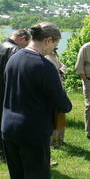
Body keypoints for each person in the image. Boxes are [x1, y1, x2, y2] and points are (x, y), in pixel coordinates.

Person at [2, 22, 72, 178]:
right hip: (32, 132)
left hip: (8, 127)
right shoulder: (45, 66)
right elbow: (63, 105)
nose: (53, 49)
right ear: (48, 40)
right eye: (55, 44)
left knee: (17, 175)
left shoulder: (13, 58)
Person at [0, 29, 31, 161]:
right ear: (22, 38)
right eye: (26, 43)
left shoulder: (1, 45)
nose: (25, 47)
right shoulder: (15, 50)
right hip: (7, 91)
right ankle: (6, 153)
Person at [45, 48, 67, 148]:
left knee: (60, 114)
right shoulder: (45, 55)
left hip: (60, 87)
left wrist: (62, 68)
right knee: (53, 116)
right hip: (52, 89)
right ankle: (53, 142)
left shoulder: (53, 54)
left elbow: (60, 65)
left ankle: (60, 139)